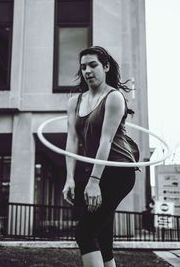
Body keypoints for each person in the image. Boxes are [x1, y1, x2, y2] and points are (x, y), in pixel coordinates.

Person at [62, 46, 139, 267]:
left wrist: (94, 181)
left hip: (118, 169)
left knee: (84, 233)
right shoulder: (74, 102)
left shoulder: (114, 97)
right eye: (83, 66)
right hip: (95, 170)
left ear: (105, 67)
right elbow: (73, 141)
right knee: (102, 238)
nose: (87, 70)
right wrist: (70, 178)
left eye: (93, 65)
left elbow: (106, 140)